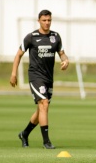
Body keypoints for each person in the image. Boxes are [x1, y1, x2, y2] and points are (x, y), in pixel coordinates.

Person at [10, 9, 69, 149]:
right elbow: (18, 55)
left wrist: (66, 61)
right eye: (44, 20)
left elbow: (62, 54)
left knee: (41, 110)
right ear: (39, 21)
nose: (47, 23)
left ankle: (24, 133)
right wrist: (13, 73)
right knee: (44, 104)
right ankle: (46, 142)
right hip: (35, 76)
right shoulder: (31, 37)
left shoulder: (56, 37)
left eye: (49, 20)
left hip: (49, 78)